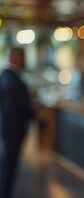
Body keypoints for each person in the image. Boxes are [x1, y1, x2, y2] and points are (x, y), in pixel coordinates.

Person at [0, 47, 34, 198]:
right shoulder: (12, 79)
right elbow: (17, 107)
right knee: (8, 168)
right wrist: (33, 111)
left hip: (9, 128)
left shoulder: (6, 76)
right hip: (13, 129)